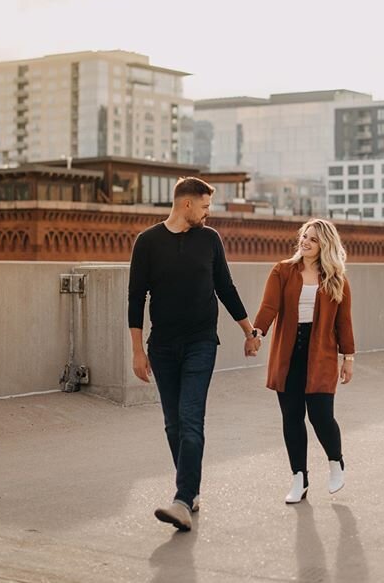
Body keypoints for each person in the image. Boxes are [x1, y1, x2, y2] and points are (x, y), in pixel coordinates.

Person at [128, 176, 260, 532]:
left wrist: (249, 331)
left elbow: (225, 287)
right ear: (186, 204)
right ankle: (191, 490)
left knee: (189, 419)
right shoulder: (148, 242)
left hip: (201, 343)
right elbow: (135, 299)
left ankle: (183, 499)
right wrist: (138, 352)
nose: (208, 213)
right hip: (163, 346)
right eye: (204, 206)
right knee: (173, 424)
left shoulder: (210, 240)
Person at [252, 218, 355, 504]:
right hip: (288, 353)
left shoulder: (337, 279)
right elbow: (269, 306)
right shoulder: (283, 270)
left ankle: (336, 462)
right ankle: (299, 477)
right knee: (292, 418)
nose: (305, 242)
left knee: (321, 416)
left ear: (325, 245)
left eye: (312, 239)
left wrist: (348, 358)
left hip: (321, 354)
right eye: (304, 236)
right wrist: (257, 331)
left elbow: (344, 323)